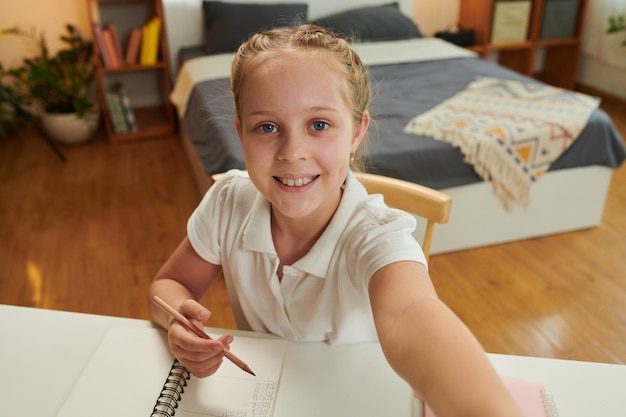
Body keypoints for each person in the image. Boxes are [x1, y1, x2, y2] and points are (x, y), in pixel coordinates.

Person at [149, 24, 522, 417]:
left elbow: (409, 315)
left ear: (357, 131)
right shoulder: (228, 200)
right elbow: (169, 284)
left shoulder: (378, 235)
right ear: (241, 132)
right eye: (267, 127)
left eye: (319, 125)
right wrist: (179, 320)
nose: (293, 152)